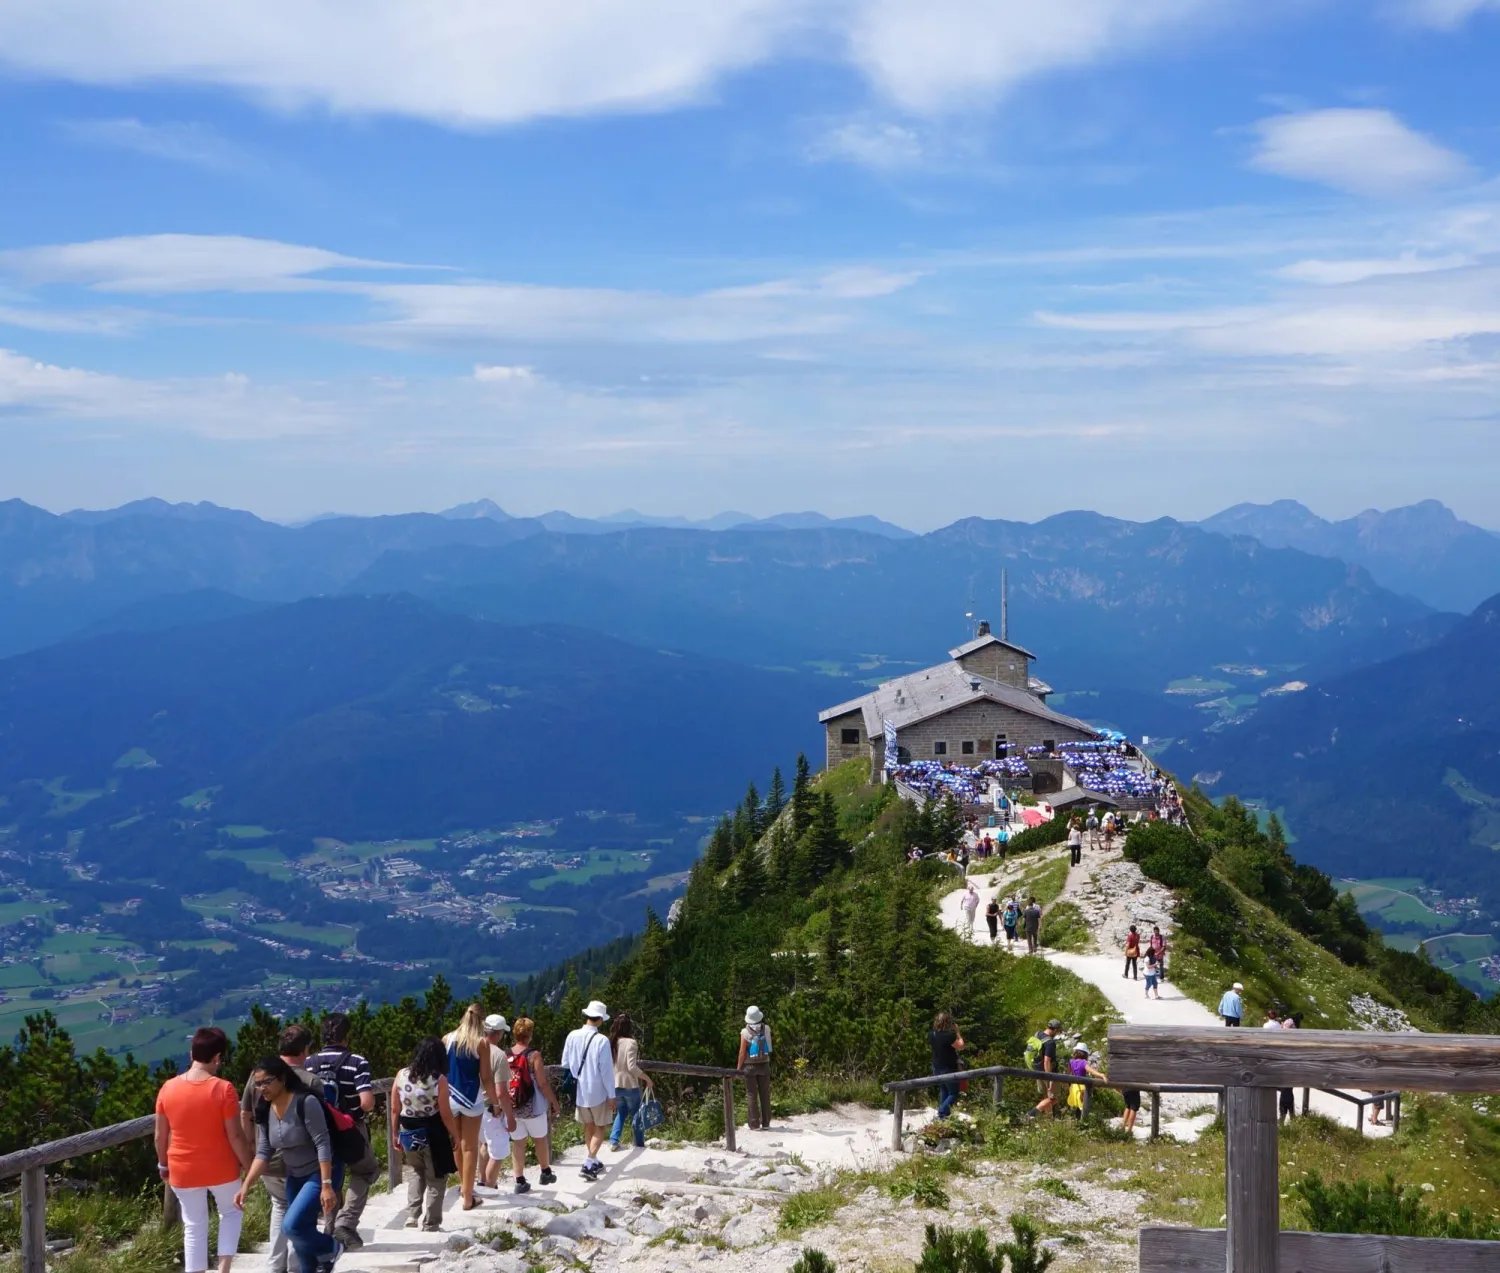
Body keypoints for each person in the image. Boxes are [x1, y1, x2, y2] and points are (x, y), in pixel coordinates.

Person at [156, 1027, 252, 1273]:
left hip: (182, 1169)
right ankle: (223, 1269)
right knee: (230, 1213)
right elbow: (235, 1135)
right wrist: (250, 1166)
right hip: (220, 1166)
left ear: (192, 1053)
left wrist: (163, 1164)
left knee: (194, 1225)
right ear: (217, 1057)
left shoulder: (167, 1088)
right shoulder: (223, 1088)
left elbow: (160, 1135)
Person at [235, 1057, 341, 1273]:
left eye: (266, 1082)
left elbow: (323, 1143)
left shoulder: (305, 1102)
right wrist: (245, 1186)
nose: (261, 1088)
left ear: (282, 1079)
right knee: (302, 1233)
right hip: (294, 1175)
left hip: (319, 1173)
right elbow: (264, 1152)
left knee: (291, 1226)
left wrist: (327, 1185)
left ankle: (332, 1247)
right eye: (257, 1083)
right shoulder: (265, 1108)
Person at [239, 1025, 320, 1273]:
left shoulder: (257, 1078)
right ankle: (296, 1266)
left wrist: (251, 1146)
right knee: (301, 1215)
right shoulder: (311, 1081)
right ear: (305, 1050)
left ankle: (275, 1265)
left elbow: (245, 1113)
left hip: (270, 1162)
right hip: (304, 1163)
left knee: (280, 1207)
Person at [308, 1014, 379, 1250]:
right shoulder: (356, 1061)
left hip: (318, 1130)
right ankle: (346, 1223)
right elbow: (367, 1102)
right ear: (346, 1036)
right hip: (349, 1127)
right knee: (366, 1171)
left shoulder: (310, 1062)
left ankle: (329, 1230)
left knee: (331, 1177)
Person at [389, 1036, 458, 1230]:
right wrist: (455, 1135)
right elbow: (445, 1113)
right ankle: (431, 1222)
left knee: (417, 1171)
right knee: (436, 1175)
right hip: (432, 1131)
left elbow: (395, 1109)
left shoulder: (401, 1074)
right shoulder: (439, 1080)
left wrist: (395, 1134)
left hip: (408, 1129)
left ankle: (412, 1215)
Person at [444, 1004, 500, 1210]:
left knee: (457, 1144)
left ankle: (462, 1185)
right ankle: (468, 1195)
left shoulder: (447, 1039)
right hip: (471, 1098)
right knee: (470, 1147)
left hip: (450, 1096)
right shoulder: (481, 1044)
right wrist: (495, 1102)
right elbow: (485, 1077)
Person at [562, 1000, 616, 1181]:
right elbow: (607, 1071)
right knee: (600, 1127)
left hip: (580, 1090)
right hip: (598, 1090)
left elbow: (566, 1064)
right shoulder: (602, 1041)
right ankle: (589, 1162)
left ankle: (593, 1161)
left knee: (588, 1126)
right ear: (600, 1019)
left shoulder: (572, 1035)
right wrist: (612, 1095)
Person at [508, 1017, 560, 1193]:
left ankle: (519, 1180)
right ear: (529, 1034)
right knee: (540, 1139)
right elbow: (542, 1084)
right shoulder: (534, 1055)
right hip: (533, 1107)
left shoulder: (506, 1054)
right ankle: (545, 1172)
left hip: (513, 1106)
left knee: (518, 1143)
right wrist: (553, 1102)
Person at [478, 1015, 518, 1188]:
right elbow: (501, 1092)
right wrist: (509, 1116)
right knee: (499, 1151)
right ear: (499, 1033)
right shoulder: (499, 1055)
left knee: (484, 1144)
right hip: (491, 1108)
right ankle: (488, 1188)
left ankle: (481, 1181)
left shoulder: (472, 1048)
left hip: (473, 1107)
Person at [609, 1013, 653, 1150]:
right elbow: (631, 1066)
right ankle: (639, 1143)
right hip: (630, 1085)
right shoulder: (631, 1043)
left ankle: (614, 1140)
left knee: (621, 1112)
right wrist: (647, 1079)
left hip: (614, 1085)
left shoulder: (611, 1042)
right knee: (636, 1114)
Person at [738, 1006, 774, 1130]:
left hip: (750, 1066)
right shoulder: (767, 1029)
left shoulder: (744, 1032)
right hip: (764, 1064)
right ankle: (766, 1123)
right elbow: (769, 1047)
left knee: (751, 1094)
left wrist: (739, 1068)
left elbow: (742, 1053)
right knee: (765, 1093)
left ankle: (754, 1124)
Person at [929, 1011, 965, 1119]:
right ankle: (942, 1112)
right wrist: (958, 1032)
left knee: (944, 1090)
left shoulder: (932, 1034)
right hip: (948, 1068)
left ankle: (944, 1117)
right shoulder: (948, 1036)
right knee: (954, 1092)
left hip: (936, 1067)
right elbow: (961, 1046)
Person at [1027, 1019, 1062, 1117]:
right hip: (1049, 1073)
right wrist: (1050, 1078)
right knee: (1053, 1098)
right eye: (1058, 1031)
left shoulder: (1037, 1034)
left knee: (1046, 1096)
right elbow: (1047, 1060)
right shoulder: (1050, 1042)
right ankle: (1031, 1113)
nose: (1058, 1033)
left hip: (1037, 1070)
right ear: (1055, 1029)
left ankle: (1048, 1119)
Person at [1065, 1045, 1106, 1116]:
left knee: (1077, 1106)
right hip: (1082, 1087)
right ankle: (1083, 1123)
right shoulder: (1083, 1062)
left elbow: (1067, 1073)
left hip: (1073, 1086)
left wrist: (1066, 1085)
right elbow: (1092, 1071)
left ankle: (1077, 1122)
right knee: (1084, 1106)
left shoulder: (1071, 1062)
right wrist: (1101, 1075)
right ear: (1085, 1054)